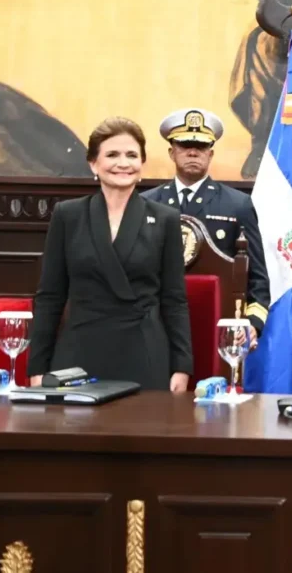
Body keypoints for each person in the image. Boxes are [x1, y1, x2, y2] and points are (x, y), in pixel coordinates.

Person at [27, 118, 193, 391]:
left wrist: (182, 367)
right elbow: (50, 296)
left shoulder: (166, 219)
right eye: (112, 154)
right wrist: (37, 367)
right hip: (78, 352)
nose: (123, 163)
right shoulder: (68, 215)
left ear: (142, 163)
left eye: (132, 155)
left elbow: (174, 300)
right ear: (93, 163)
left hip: (143, 352)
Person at [142, 108, 270, 345]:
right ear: (171, 152)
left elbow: (257, 276)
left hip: (217, 323)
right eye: (185, 145)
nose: (193, 152)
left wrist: (252, 323)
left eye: (200, 146)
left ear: (210, 154)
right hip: (156, 324)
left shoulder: (238, 204)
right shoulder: (146, 204)